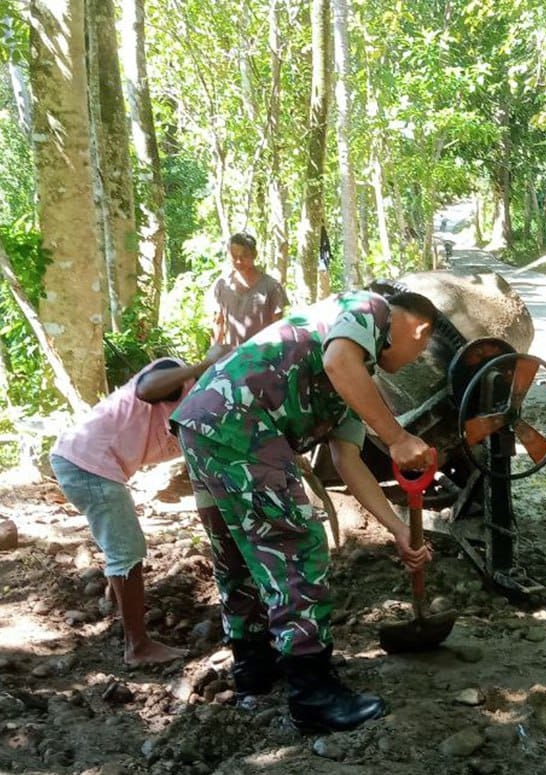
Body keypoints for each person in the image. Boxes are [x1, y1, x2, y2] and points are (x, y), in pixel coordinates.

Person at [171, 289, 438, 733]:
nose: (414, 360)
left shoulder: (356, 379)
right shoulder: (368, 307)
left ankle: (255, 668)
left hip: (205, 423)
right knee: (296, 545)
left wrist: (398, 529)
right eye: (421, 351)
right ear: (420, 330)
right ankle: (313, 695)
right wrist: (397, 437)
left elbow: (348, 461)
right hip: (240, 422)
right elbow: (338, 362)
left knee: (237, 553)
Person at [49, 346, 227, 665]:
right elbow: (146, 389)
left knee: (120, 546)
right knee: (127, 550)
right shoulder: (177, 375)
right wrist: (203, 365)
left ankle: (117, 602)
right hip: (87, 461)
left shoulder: (207, 411)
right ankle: (137, 647)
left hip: (89, 463)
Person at [208, 232, 289, 351]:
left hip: (262, 355)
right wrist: (213, 355)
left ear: (254, 255)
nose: (239, 261)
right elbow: (218, 323)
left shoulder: (272, 286)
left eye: (244, 256)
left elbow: (277, 327)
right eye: (234, 256)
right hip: (231, 356)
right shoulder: (222, 285)